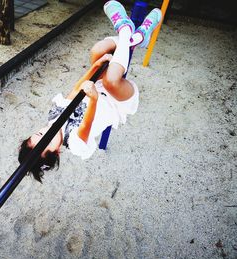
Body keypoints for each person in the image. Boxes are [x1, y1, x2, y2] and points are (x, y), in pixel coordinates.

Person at [18, 1, 162, 182]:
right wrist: (93, 98)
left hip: (97, 86)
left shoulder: (53, 117)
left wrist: (94, 67)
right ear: (57, 151)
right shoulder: (76, 144)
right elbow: (87, 122)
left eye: (39, 133)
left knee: (98, 50)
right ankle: (126, 32)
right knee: (110, 81)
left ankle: (132, 39)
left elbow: (75, 91)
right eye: (46, 140)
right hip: (117, 100)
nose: (45, 133)